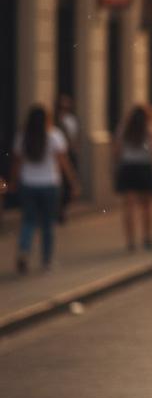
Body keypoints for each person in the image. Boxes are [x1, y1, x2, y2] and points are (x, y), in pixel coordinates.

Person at [11, 102, 80, 273]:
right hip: (49, 184)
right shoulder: (54, 135)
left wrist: (13, 181)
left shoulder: (23, 136)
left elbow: (17, 162)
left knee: (28, 221)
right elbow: (64, 162)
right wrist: (73, 182)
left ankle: (24, 251)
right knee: (48, 224)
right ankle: (46, 261)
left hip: (28, 183)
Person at [112, 103, 152, 251]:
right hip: (144, 167)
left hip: (128, 167)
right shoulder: (151, 129)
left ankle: (130, 241)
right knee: (147, 207)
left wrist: (116, 167)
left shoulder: (124, 128)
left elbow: (116, 150)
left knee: (128, 207)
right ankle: (147, 238)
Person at [54, 93, 81, 224]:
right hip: (60, 154)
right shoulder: (55, 121)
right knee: (63, 181)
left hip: (70, 153)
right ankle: (59, 211)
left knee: (68, 183)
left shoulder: (72, 119)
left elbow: (75, 135)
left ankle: (62, 208)